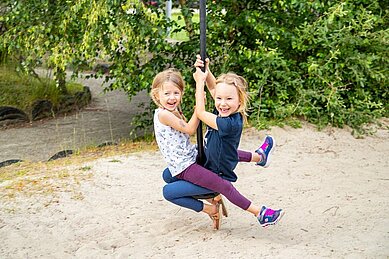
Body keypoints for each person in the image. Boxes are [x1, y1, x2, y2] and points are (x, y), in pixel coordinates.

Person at [151, 67, 283, 229]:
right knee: (169, 174)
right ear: (157, 95)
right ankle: (259, 157)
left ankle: (258, 213)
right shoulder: (222, 109)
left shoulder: (226, 121)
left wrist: (200, 84)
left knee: (170, 192)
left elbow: (196, 120)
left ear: (239, 101)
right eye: (167, 94)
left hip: (191, 164)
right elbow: (214, 89)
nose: (172, 98)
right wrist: (205, 71)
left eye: (176, 93)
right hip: (191, 158)